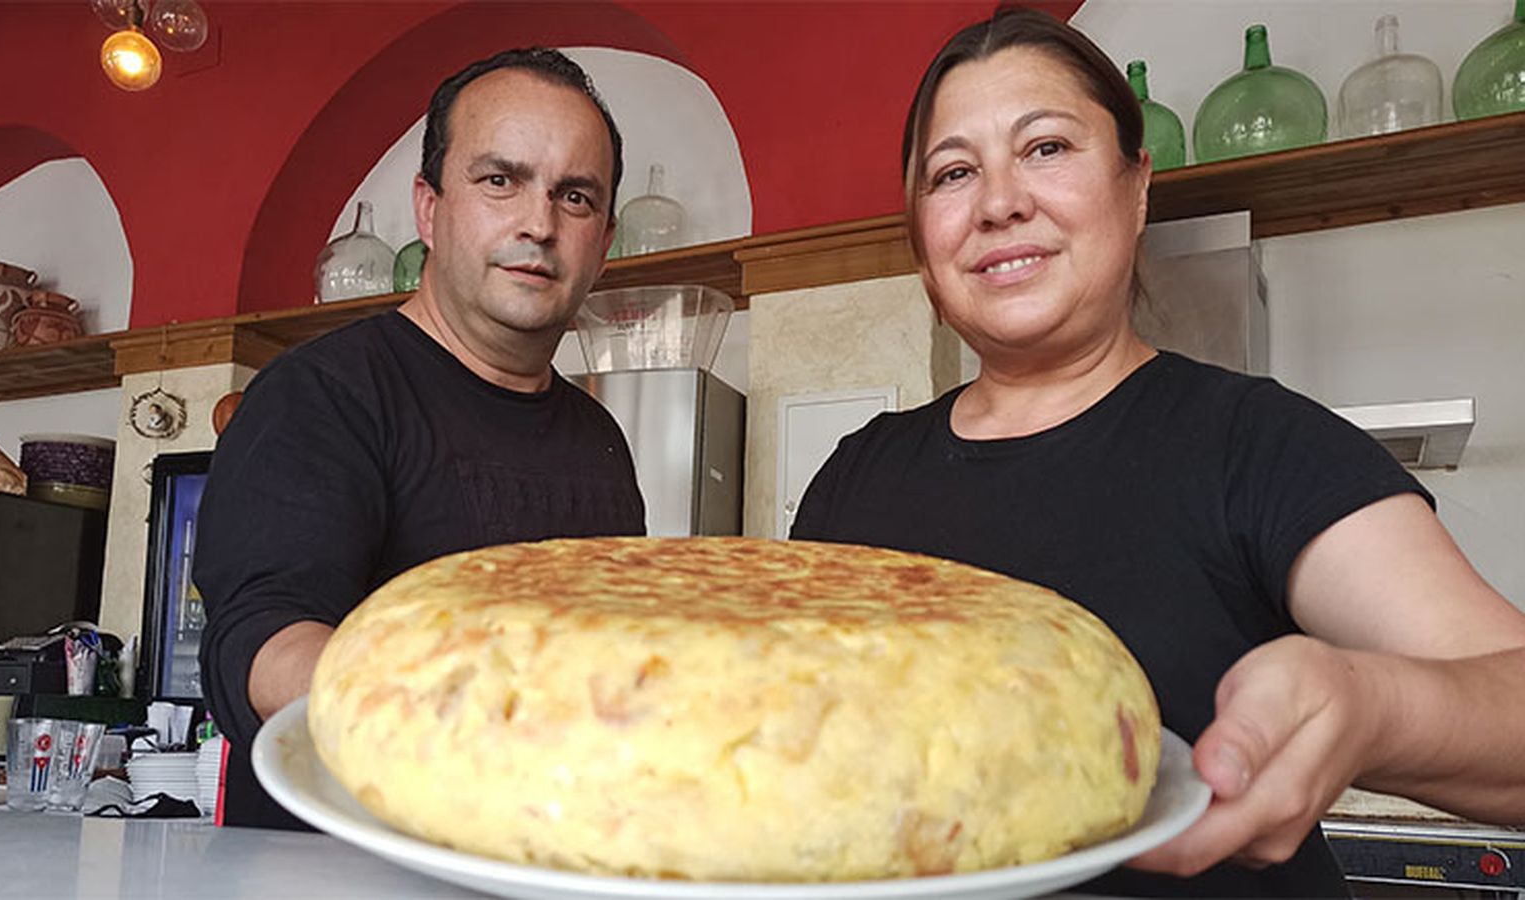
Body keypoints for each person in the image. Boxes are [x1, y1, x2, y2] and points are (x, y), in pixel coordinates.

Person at [791, 9, 1525, 897]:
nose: (998, 203)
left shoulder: (1256, 444)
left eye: (1047, 148)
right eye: (954, 173)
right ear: (922, 242)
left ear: (1136, 188)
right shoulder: (854, 477)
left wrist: (1375, 708)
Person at [196, 48, 645, 829]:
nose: (538, 223)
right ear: (430, 209)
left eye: (574, 197)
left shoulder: (599, 439)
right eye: (499, 180)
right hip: (335, 873)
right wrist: (474, 724)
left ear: (602, 240)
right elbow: (263, 646)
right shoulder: (321, 396)